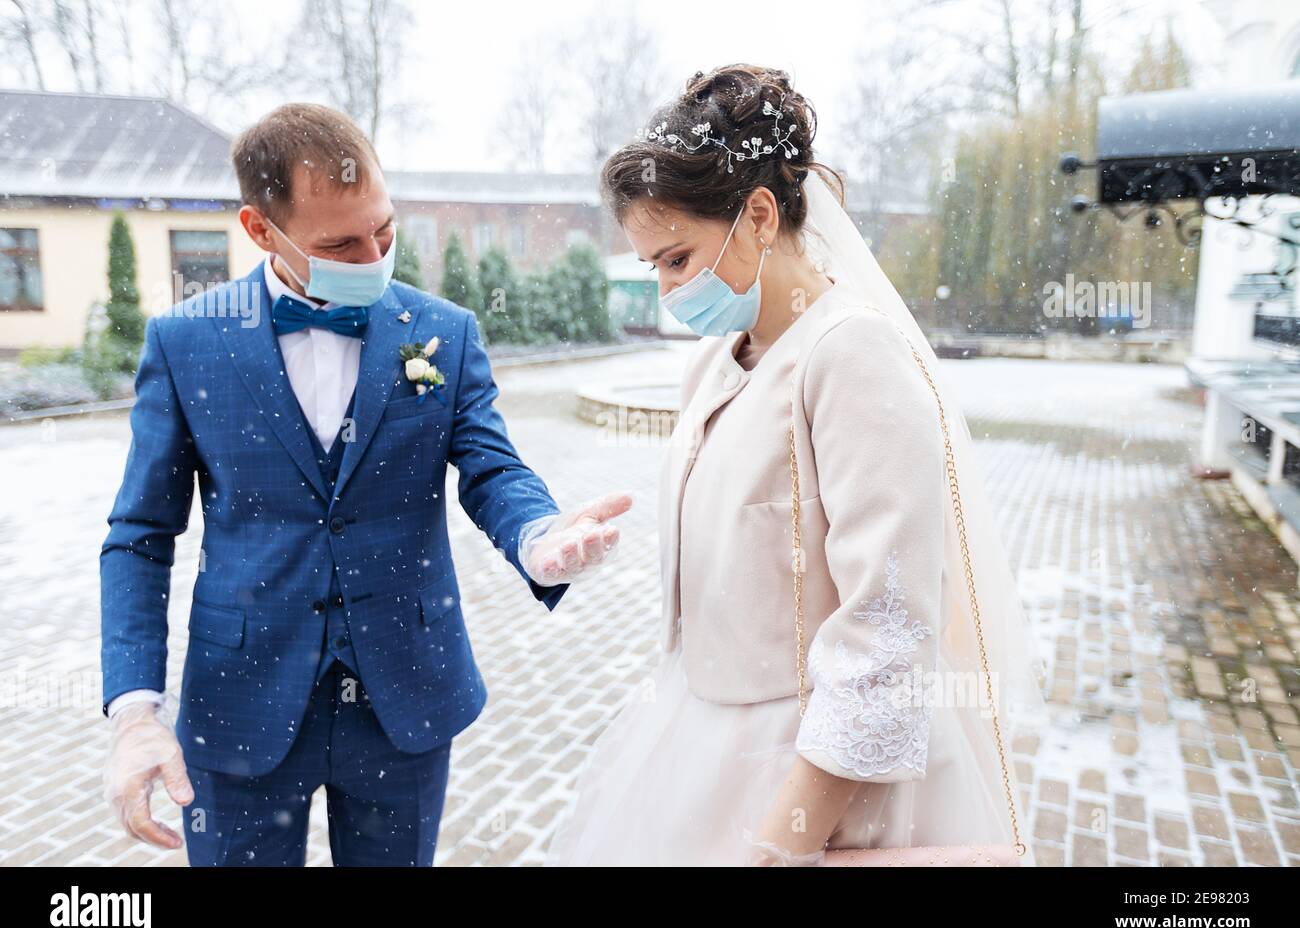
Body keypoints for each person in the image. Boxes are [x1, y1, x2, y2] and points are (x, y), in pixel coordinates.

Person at [100, 103, 631, 866]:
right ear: (259, 230)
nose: (373, 256)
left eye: (382, 229)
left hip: (403, 699)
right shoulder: (186, 342)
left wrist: (537, 536)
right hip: (240, 701)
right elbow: (138, 538)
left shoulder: (442, 331)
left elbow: (491, 466)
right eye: (339, 244)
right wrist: (134, 712)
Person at [545, 64, 1047, 866]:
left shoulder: (853, 357)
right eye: (655, 270)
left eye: (678, 259)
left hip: (820, 782)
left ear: (757, 213)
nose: (672, 293)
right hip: (702, 744)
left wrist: (784, 842)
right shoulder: (714, 361)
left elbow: (888, 628)